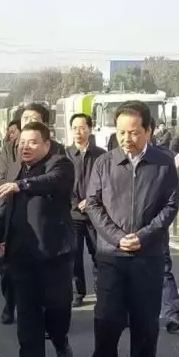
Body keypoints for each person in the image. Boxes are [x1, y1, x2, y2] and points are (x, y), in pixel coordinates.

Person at [86, 101, 178, 357]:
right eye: (121, 132)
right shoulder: (104, 163)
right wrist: (117, 238)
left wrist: (143, 236)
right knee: (106, 323)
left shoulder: (163, 163)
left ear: (149, 130)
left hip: (148, 257)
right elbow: (93, 203)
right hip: (111, 257)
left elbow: (170, 205)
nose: (127, 138)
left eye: (134, 132)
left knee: (146, 327)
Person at [0, 121, 75, 357]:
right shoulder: (17, 167)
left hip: (54, 254)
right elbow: (7, 203)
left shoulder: (60, 164)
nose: (25, 147)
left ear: (47, 144)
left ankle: (60, 340)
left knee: (57, 309)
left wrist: (20, 185)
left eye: (32, 142)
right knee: (27, 318)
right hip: (21, 254)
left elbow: (51, 181)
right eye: (22, 142)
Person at [0, 103, 64, 324]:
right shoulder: (11, 149)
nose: (27, 122)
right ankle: (10, 305)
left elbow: (55, 179)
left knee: (48, 292)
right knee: (8, 271)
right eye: (24, 118)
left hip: (44, 226)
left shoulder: (57, 153)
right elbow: (3, 180)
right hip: (14, 218)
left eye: (33, 118)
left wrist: (21, 185)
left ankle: (55, 331)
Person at [66, 113, 105, 308]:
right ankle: (77, 292)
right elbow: (62, 182)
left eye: (82, 128)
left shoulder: (101, 155)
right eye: (75, 128)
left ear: (90, 129)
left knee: (99, 254)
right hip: (72, 214)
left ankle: (102, 290)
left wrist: (90, 201)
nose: (78, 132)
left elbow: (105, 183)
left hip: (95, 213)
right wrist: (75, 202)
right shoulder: (65, 155)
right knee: (74, 256)